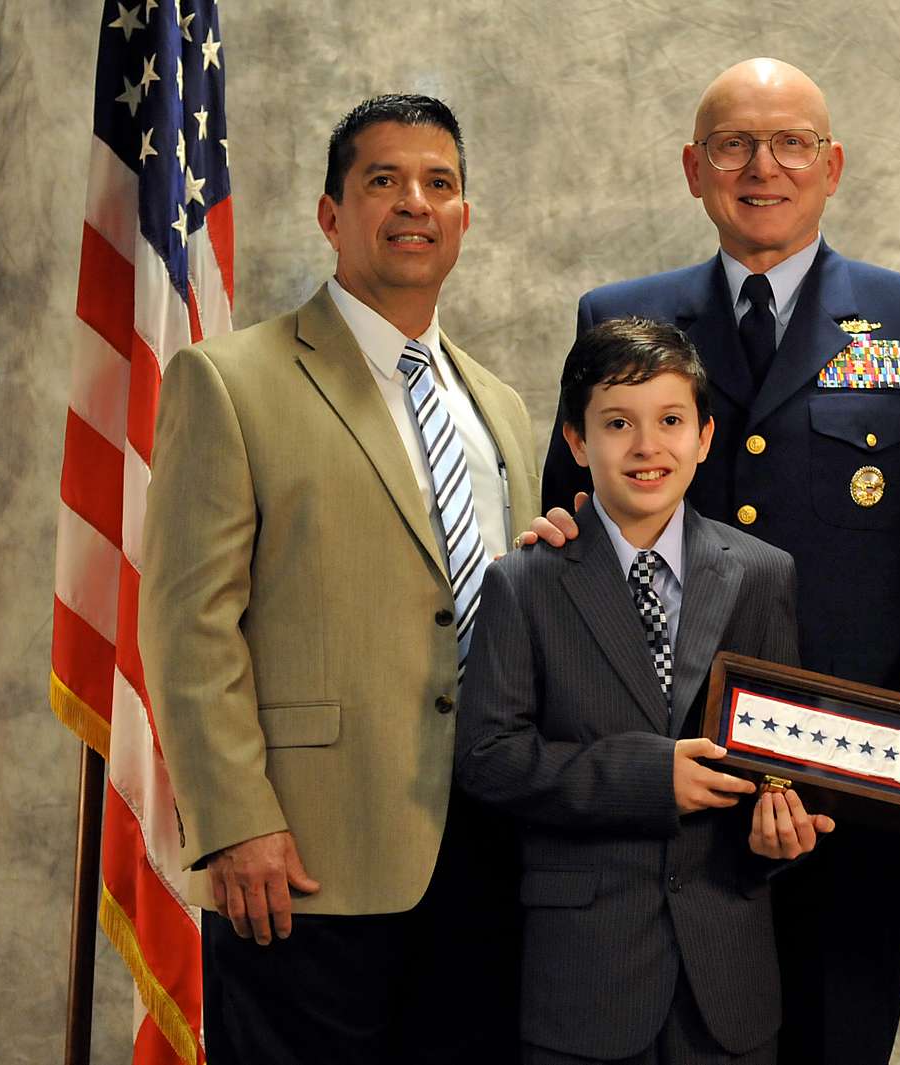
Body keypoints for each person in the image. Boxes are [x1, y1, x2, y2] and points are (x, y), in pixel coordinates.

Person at [532, 57, 900, 1065]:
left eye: (790, 143)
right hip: (667, 800)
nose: (762, 167)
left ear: (831, 167)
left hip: (850, 795)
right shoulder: (617, 316)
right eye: (734, 144)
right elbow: (568, 530)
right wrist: (560, 544)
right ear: (693, 168)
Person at [140, 94, 541, 1063]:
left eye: (438, 183)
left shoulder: (501, 407)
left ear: (464, 217)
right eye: (383, 180)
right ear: (331, 215)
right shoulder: (231, 380)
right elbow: (189, 627)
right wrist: (237, 826)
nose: (414, 202)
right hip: (305, 857)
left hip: (488, 854)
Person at [456, 317, 831, 1065]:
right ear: (575, 441)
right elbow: (489, 759)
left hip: (727, 981)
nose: (647, 446)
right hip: (584, 981)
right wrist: (647, 776)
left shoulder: (762, 573)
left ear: (705, 436)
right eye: (618, 423)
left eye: (670, 421)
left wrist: (775, 840)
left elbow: (780, 762)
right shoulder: (524, 581)